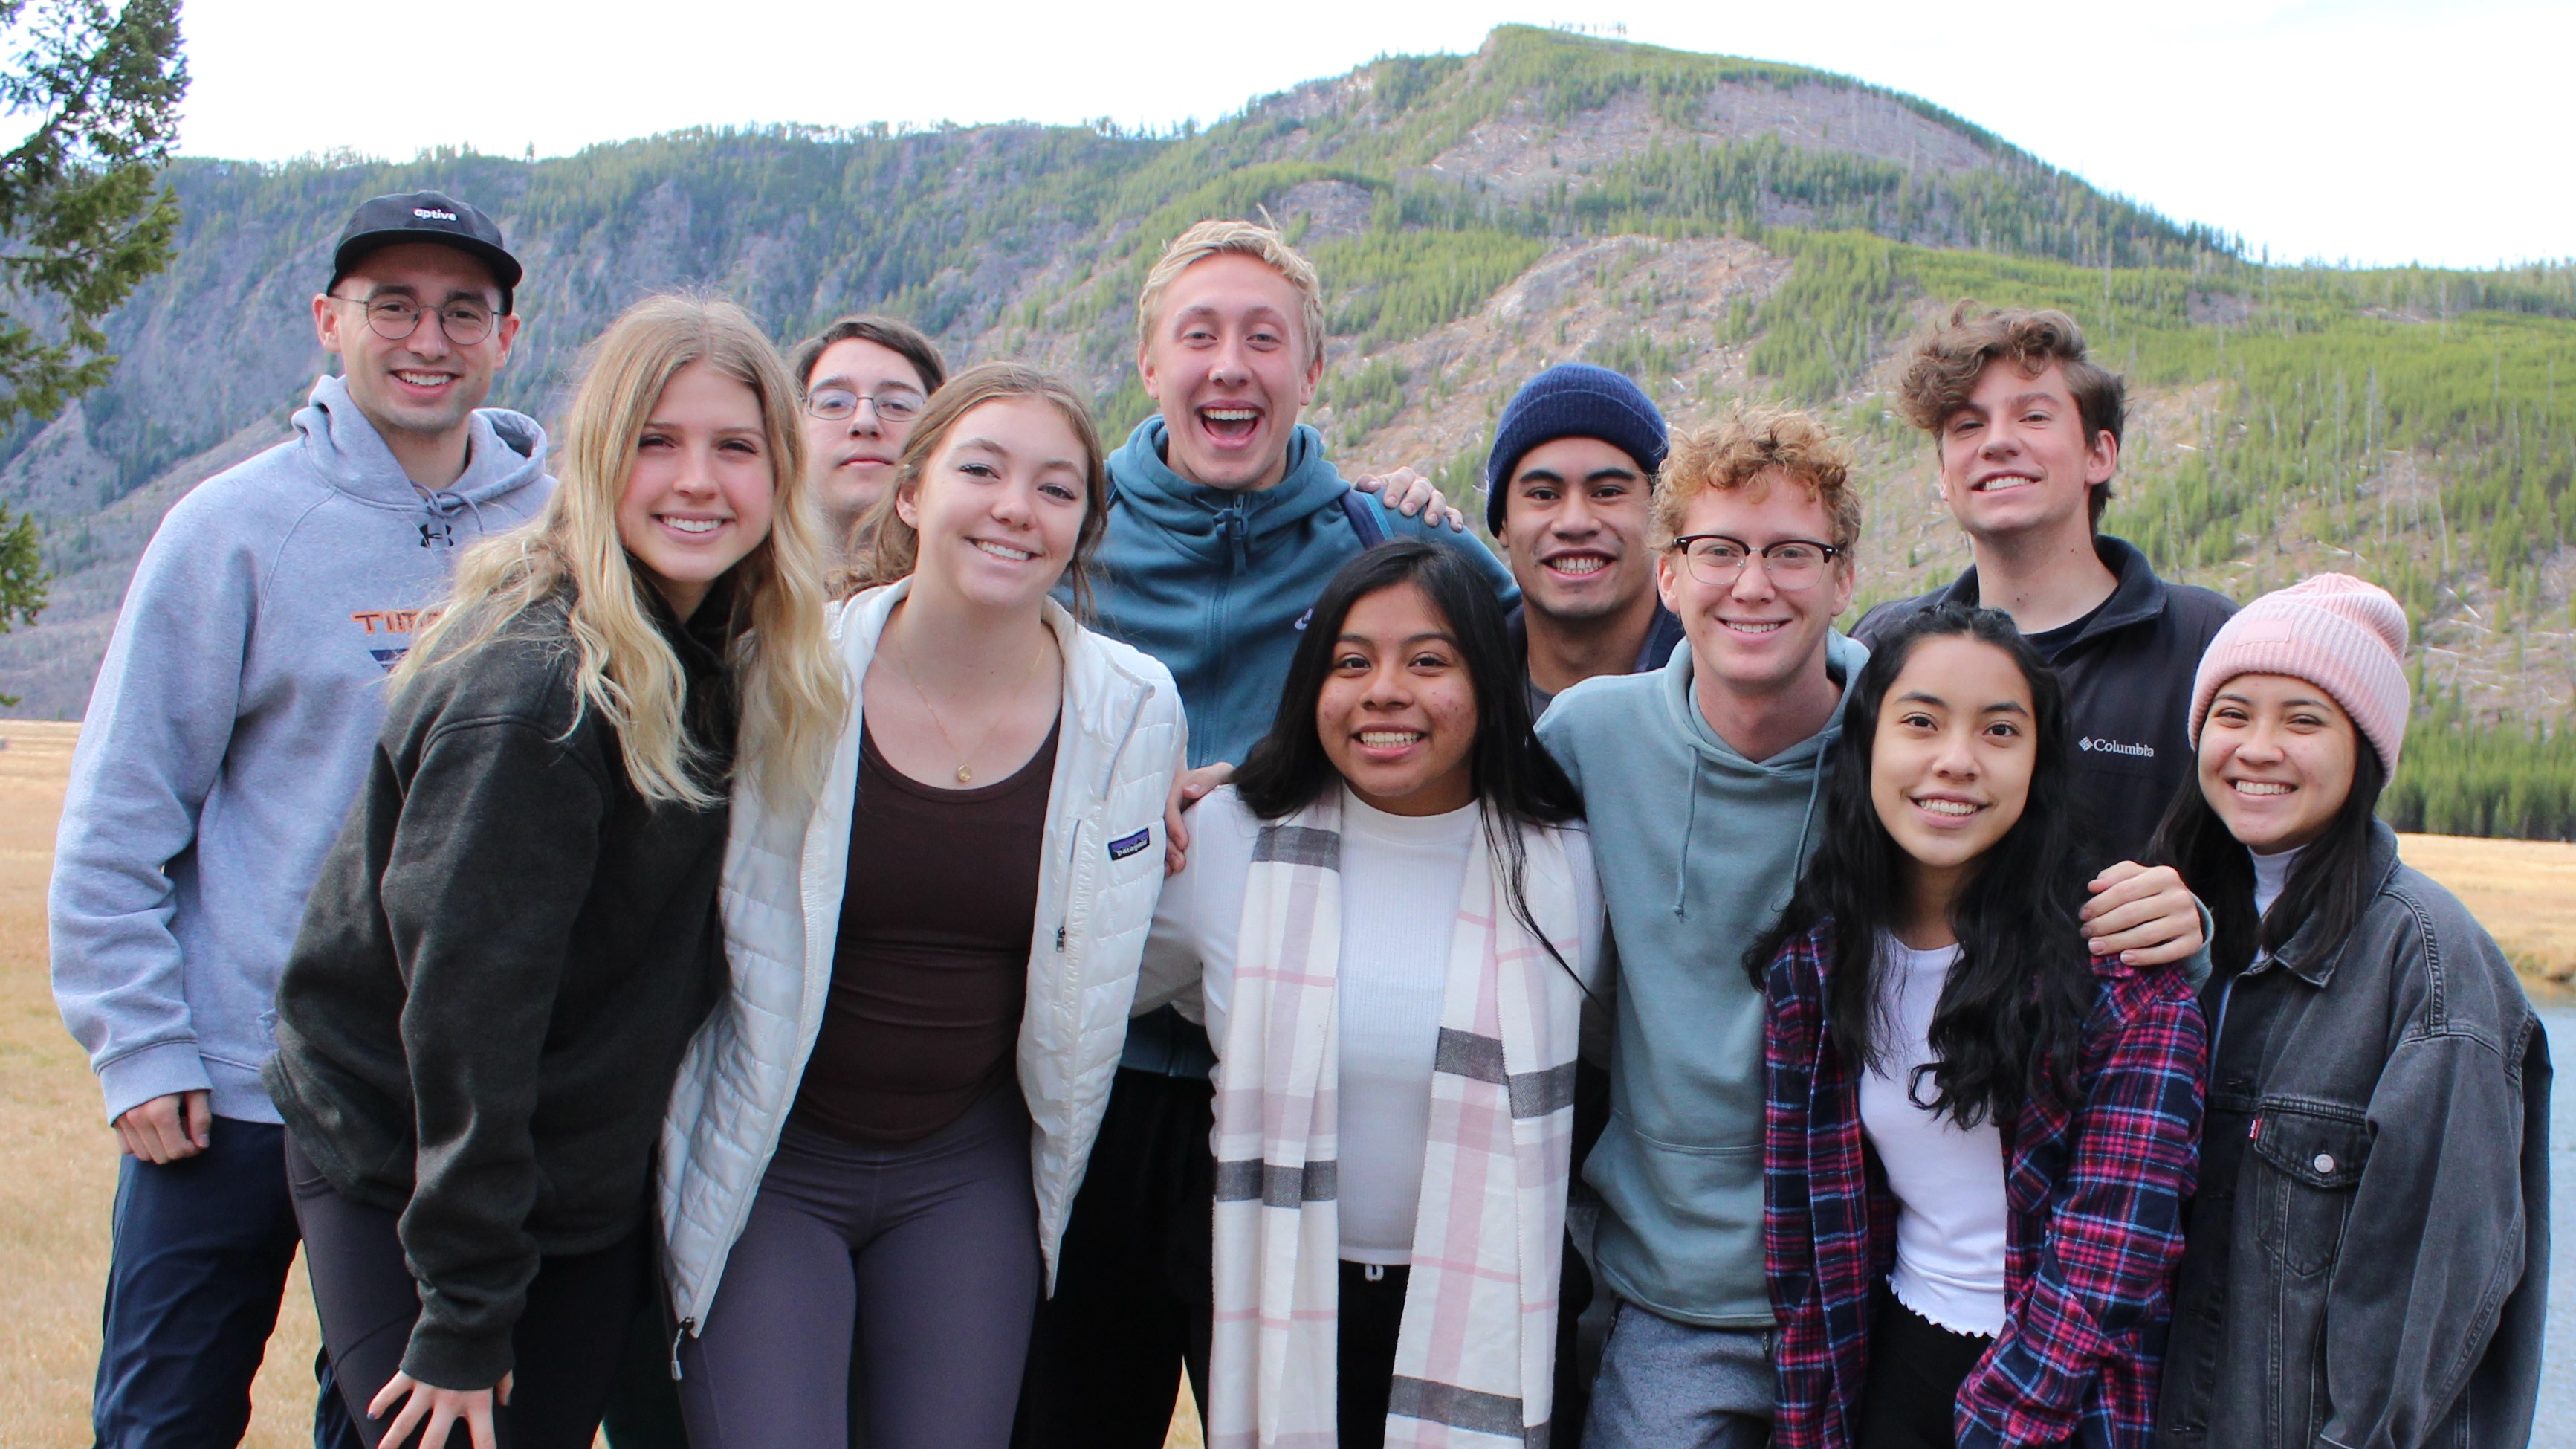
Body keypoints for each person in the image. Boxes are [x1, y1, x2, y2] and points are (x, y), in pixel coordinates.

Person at [1537, 407, 2207, 1449]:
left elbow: (2034, 867)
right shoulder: (1588, 737)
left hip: (1860, 1284)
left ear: (1845, 577)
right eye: (1717, 551)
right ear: (1665, 576)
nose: (1752, 585)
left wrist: (2185, 917)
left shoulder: (1902, 733)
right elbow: (1443, 816)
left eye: (1791, 553)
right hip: (1674, 1296)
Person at [262, 293, 844, 1449]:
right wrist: (463, 1311)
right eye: (656, 442)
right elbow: (467, 1017)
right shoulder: (539, 696)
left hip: (576, 1175)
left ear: (780, 473)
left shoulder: (724, 652)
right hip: (411, 1158)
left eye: (734, 448)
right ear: (595, 458)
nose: (696, 481)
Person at [48, 189, 546, 1449]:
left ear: (508, 335)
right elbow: (122, 810)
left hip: (428, 1097)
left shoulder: (556, 537)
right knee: (164, 1413)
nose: (427, 338)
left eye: (461, 311)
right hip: (230, 1084)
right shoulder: (232, 528)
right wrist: (142, 1045)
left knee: (390, 1422)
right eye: (393, 306)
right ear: (330, 321)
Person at [1021, 217, 1508, 1448]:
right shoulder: (1061, 548)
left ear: (1312, 371)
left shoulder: (1396, 552)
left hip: (1305, 1078)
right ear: (1148, 364)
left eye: (1262, 337)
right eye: (1199, 334)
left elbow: (1528, 716)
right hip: (1091, 1082)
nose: (1229, 363)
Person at [658, 362, 1185, 1449]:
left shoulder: (1133, 711)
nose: (1013, 509)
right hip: (775, 1161)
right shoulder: (783, 673)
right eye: (980, 470)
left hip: (967, 1173)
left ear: (1084, 524)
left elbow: (1134, 910)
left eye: (1054, 488)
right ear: (910, 492)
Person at [1133, 538, 1605, 1448]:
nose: (1384, 690)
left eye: (1428, 661)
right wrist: (1128, 820)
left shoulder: (1565, 867)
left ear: (1488, 686)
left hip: (1495, 1301)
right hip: (1274, 1294)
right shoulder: (1232, 840)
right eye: (1352, 662)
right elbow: (1099, 991)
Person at [1758, 604, 2207, 1449]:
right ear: (1867, 743)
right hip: (1884, 1361)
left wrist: (2002, 1421)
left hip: (2061, 1396)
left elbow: (2110, 1252)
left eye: (1999, 730)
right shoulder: (1818, 968)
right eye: (1920, 722)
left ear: (2037, 763)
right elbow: (1801, 1251)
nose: (1955, 761)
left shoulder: (2120, 981)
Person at [2149, 575, 2550, 1449]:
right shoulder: (2174, 933)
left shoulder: (2434, 969)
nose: (2258, 747)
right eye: (2231, 713)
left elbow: (2426, 1323)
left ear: (2363, 750)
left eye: (2303, 719)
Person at [1856, 304, 2234, 864]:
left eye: (2033, 417)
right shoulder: (1884, 643)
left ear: (2098, 454)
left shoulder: (2207, 642)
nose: (1997, 442)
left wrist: (2201, 927)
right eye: (1968, 425)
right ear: (1943, 476)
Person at [1486, 362, 1684, 718]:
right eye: (1544, 494)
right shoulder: (1455, 695)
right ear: (1502, 521)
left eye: (1607, 492)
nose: (1574, 523)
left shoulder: (1724, 698)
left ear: (1661, 517)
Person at [793, 312, 948, 576]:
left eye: (898, 405)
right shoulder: (734, 603)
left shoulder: (982, 609)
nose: (865, 422)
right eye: (834, 403)